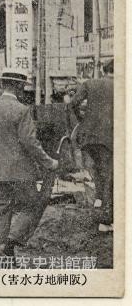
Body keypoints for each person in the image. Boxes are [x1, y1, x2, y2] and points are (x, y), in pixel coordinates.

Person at [0, 69, 59, 258]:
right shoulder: (22, 110)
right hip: (20, 172)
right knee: (34, 205)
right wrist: (49, 163)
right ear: (20, 86)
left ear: (4, 85)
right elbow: (30, 142)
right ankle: (11, 241)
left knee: (2, 211)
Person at [69, 59, 114, 232]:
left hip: (88, 137)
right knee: (109, 175)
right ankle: (105, 221)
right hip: (109, 138)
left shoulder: (90, 83)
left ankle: (98, 202)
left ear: (103, 70)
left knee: (98, 171)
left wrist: (83, 121)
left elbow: (72, 104)